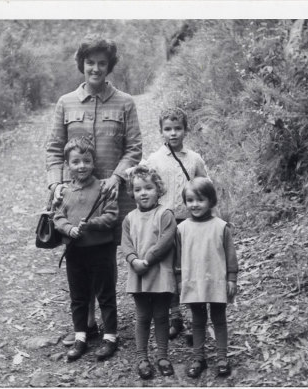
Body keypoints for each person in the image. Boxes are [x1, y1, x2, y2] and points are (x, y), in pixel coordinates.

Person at [45, 35, 142, 346]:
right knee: (77, 252)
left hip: (112, 195)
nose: (96, 68)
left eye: (102, 63)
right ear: (82, 65)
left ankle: (108, 317)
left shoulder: (125, 102)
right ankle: (85, 321)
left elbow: (134, 148)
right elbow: (54, 150)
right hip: (73, 195)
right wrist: (56, 183)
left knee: (105, 254)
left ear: (109, 66)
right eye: (90, 63)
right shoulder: (65, 103)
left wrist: (116, 177)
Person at [145, 107, 210, 340]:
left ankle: (196, 322)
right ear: (161, 131)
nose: (173, 134)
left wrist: (211, 216)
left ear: (186, 130)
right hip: (165, 221)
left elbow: (205, 187)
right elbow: (145, 185)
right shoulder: (154, 159)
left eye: (178, 128)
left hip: (191, 222)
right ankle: (175, 317)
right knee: (169, 269)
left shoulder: (194, 159)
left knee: (192, 269)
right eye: (168, 129)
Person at [53, 137, 119, 362]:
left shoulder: (102, 187)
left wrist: (92, 224)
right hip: (75, 251)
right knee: (78, 296)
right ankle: (81, 336)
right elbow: (57, 216)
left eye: (86, 161)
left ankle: (110, 337)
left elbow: (111, 216)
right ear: (68, 165)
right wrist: (69, 229)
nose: (81, 166)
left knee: (105, 294)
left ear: (93, 162)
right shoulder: (64, 192)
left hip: (100, 249)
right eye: (76, 162)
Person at [177, 177, 239, 378]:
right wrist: (178, 279)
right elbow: (177, 257)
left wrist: (232, 278)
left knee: (219, 318)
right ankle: (199, 357)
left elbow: (230, 255)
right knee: (197, 320)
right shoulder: (182, 228)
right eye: (190, 200)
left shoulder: (221, 227)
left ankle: (222, 357)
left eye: (200, 200)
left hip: (216, 281)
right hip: (193, 281)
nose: (194, 204)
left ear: (211, 201)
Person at [120, 165, 177, 379]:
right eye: (138, 189)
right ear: (132, 193)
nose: (143, 193)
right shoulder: (129, 218)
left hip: (160, 273)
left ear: (158, 189)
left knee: (162, 316)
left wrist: (148, 259)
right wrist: (134, 260)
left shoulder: (165, 214)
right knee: (143, 317)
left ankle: (162, 356)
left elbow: (165, 241)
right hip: (139, 274)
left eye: (148, 188)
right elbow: (126, 244)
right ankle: (142, 357)